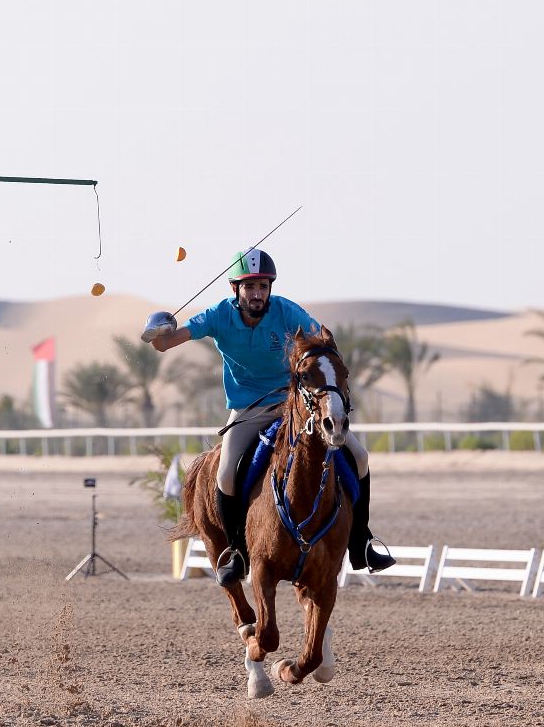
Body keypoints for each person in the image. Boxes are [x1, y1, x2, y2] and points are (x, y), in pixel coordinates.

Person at [146, 248, 394, 587]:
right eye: (250, 287)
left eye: (263, 286)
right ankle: (236, 551)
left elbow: (322, 337)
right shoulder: (219, 315)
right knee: (226, 472)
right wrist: (157, 332)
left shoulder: (286, 311)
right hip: (247, 408)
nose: (257, 294)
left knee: (360, 456)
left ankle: (361, 543)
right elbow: (168, 343)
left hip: (291, 402)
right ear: (236, 290)